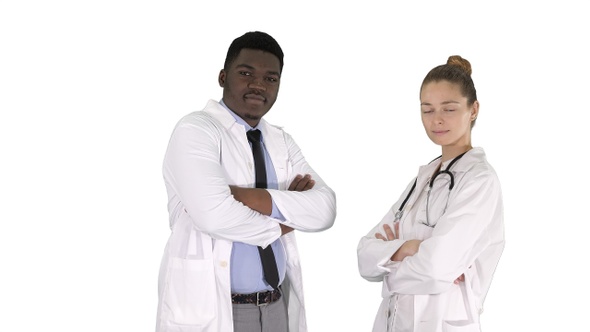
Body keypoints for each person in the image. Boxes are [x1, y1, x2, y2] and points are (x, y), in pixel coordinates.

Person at [155, 31, 336, 332]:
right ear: (223, 76)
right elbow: (214, 215)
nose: (258, 85)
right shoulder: (195, 131)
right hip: (217, 308)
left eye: (270, 78)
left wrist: (243, 197)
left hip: (276, 306)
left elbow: (325, 208)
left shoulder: (281, 140)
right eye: (246, 73)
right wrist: (286, 221)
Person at [357, 56, 505, 332]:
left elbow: (435, 270)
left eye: (449, 109)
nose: (436, 120)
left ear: (473, 110)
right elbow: (364, 257)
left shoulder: (480, 181)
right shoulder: (423, 179)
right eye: (427, 110)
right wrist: (408, 249)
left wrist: (389, 263)